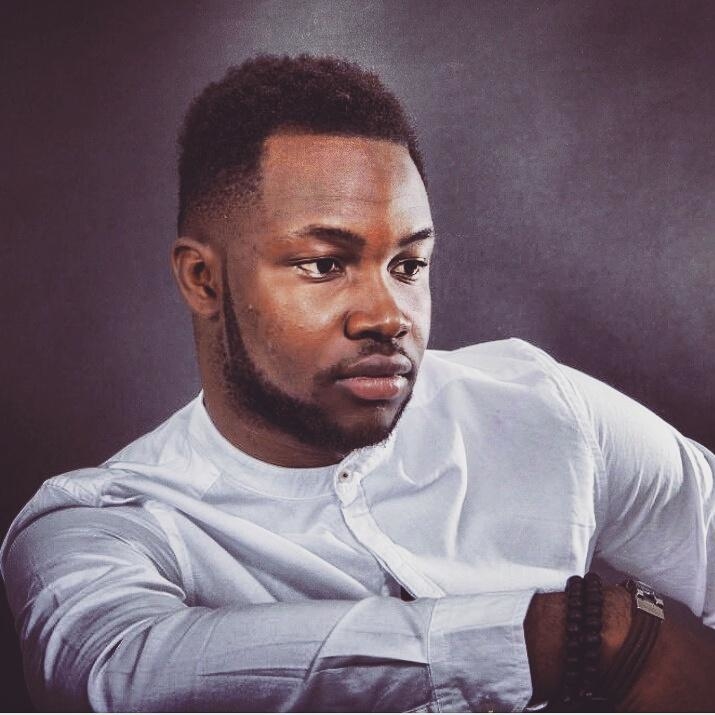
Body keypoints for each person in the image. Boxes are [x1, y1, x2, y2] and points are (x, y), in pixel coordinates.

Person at [1, 54, 713, 712]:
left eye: (408, 266)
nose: (388, 316)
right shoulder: (108, 521)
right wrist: (561, 636)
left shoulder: (540, 409)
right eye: (324, 264)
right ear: (202, 279)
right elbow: (117, 677)